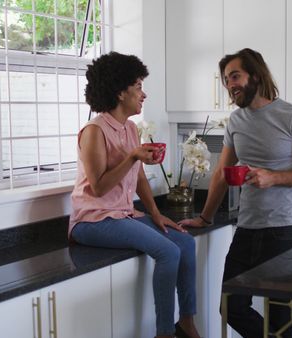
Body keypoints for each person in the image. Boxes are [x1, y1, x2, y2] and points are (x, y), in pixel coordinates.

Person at [180, 48, 292, 338]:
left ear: (256, 75)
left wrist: (273, 177)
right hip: (247, 229)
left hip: (283, 231)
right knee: (231, 306)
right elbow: (222, 175)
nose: (229, 85)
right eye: (225, 80)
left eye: (235, 76)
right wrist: (205, 218)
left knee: (279, 316)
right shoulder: (236, 121)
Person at [69, 52, 201, 338]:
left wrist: (155, 213)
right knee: (168, 251)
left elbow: (138, 176)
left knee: (185, 243)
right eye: (139, 86)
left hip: (123, 214)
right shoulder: (94, 131)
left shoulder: (129, 128)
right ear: (120, 92)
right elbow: (99, 187)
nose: (144, 94)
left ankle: (187, 321)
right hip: (93, 221)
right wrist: (132, 158)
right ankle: (164, 332)